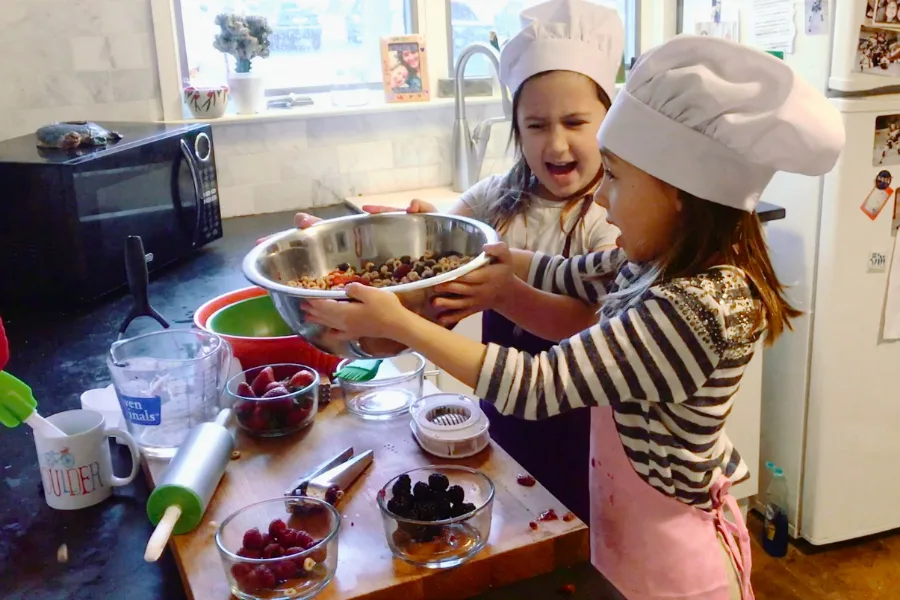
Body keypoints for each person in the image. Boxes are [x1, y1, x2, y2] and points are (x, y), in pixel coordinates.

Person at [303, 35, 845, 599]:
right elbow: (576, 272)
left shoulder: (696, 309)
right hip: (626, 539)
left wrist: (400, 324)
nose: (603, 197)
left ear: (678, 192)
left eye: (615, 176)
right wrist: (495, 257)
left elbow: (538, 385)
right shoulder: (662, 262)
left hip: (675, 573)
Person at [296, 0, 623, 522]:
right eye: (536, 124)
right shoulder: (499, 196)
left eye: (575, 121)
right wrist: (354, 259)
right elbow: (429, 263)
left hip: (583, 427)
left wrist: (506, 295)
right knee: (517, 515)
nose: (556, 142)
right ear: (515, 126)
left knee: (570, 536)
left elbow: (595, 326)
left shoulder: (612, 213)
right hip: (501, 405)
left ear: (609, 122)